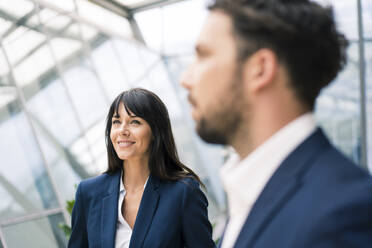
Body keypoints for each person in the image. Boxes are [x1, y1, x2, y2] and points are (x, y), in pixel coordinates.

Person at [181, 0, 372, 247]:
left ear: (260, 69)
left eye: (203, 55)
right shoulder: (252, 191)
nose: (185, 78)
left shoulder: (343, 214)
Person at [68, 88, 215, 248]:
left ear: (155, 131)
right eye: (116, 122)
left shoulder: (183, 193)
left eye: (134, 122)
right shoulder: (89, 193)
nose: (122, 130)